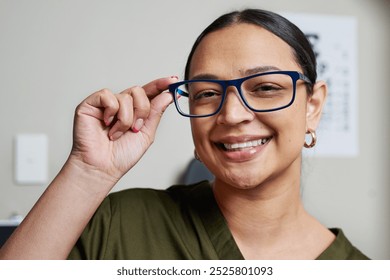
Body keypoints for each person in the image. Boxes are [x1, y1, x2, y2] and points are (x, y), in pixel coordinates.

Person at [0, 8, 368, 260]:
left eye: (266, 87)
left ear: (313, 106)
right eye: (207, 93)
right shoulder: (121, 225)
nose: (233, 114)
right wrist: (88, 171)